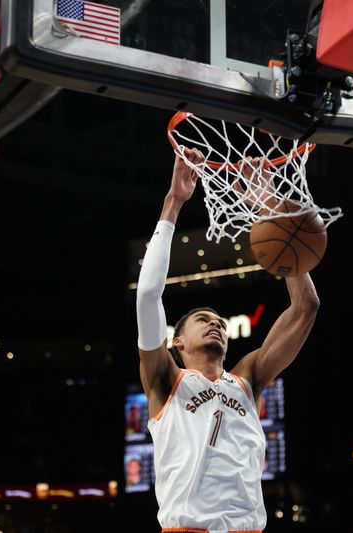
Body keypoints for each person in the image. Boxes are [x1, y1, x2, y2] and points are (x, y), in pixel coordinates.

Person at [136, 147, 321, 532]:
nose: (216, 323)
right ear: (178, 343)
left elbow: (307, 306)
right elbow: (148, 295)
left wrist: (270, 209)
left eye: (219, 320)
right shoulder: (165, 381)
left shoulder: (247, 379)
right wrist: (173, 203)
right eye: (203, 319)